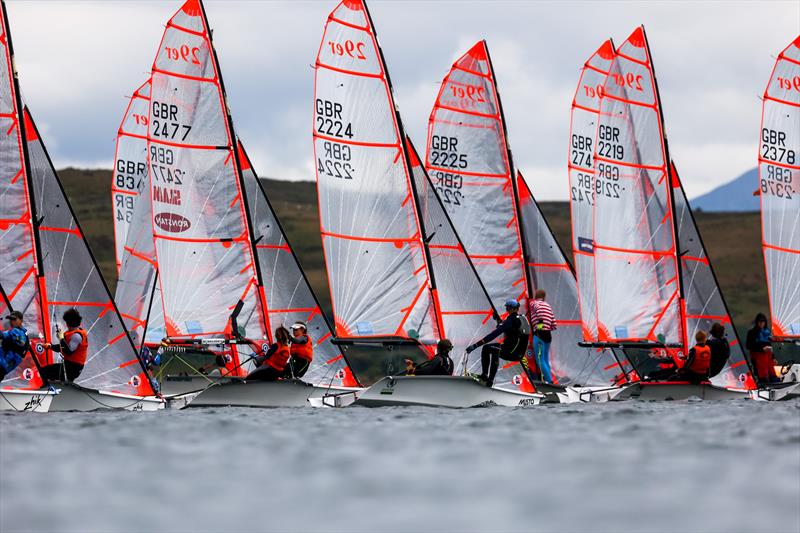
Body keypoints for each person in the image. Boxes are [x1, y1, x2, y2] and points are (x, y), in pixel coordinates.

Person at [465, 299, 530, 387]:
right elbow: (511, 329)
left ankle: (489, 381)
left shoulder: (510, 321)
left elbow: (494, 334)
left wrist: (476, 345)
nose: (507, 310)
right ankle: (485, 376)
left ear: (511, 309)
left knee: (494, 350)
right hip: (519, 353)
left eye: (507, 308)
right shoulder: (522, 318)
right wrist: (498, 321)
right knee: (488, 348)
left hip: (511, 353)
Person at [41, 308, 87, 382]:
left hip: (73, 369)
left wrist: (61, 338)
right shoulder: (71, 332)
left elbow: (68, 351)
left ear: (67, 323)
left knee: (43, 372)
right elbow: (62, 348)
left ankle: (49, 389)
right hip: (68, 365)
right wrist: (50, 346)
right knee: (47, 371)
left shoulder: (76, 336)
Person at [529, 289, 557, 382]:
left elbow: (538, 312)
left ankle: (550, 382)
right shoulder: (548, 306)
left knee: (539, 360)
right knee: (545, 359)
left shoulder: (535, 303)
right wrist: (547, 326)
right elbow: (554, 324)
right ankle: (549, 380)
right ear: (544, 297)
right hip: (548, 334)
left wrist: (540, 324)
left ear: (536, 296)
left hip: (539, 333)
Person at [746, 312, 779, 385]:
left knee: (772, 374)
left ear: (765, 322)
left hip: (768, 358)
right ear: (757, 322)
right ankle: (761, 384)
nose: (761, 323)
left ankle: (774, 382)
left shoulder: (767, 332)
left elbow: (770, 346)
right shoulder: (751, 332)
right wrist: (762, 349)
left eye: (763, 322)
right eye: (760, 322)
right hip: (757, 358)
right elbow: (748, 346)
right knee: (761, 376)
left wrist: (773, 358)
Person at [0, 311, 29, 382]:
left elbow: (4, 335)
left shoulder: (18, 332)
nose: (11, 321)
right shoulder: (21, 332)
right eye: (10, 319)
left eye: (14, 319)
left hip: (4, 363)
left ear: (21, 320)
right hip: (4, 365)